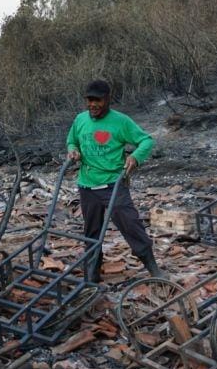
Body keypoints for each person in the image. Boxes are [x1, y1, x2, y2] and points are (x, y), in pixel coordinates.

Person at [66, 79, 165, 282]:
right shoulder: (80, 120)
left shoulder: (120, 121)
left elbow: (146, 140)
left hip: (113, 184)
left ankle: (153, 267)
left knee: (131, 225)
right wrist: (72, 151)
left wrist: (135, 157)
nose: (93, 104)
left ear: (107, 99)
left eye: (97, 100)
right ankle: (92, 275)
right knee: (91, 232)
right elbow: (71, 140)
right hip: (87, 185)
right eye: (89, 100)